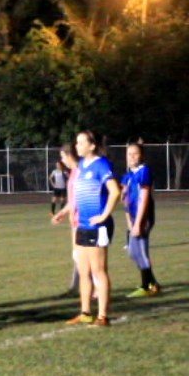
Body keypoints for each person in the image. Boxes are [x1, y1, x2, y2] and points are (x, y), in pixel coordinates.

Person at [66, 130, 120, 327]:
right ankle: (85, 312)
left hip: (98, 226)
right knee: (83, 270)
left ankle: (103, 316)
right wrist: (74, 211)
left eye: (81, 143)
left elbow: (115, 191)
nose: (77, 146)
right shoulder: (81, 165)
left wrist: (104, 216)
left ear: (92, 145)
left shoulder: (101, 165)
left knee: (98, 270)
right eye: (77, 142)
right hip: (83, 225)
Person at [123, 142, 162, 297]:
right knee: (133, 252)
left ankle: (146, 286)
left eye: (135, 153)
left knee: (140, 251)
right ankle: (153, 283)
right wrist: (129, 222)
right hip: (133, 219)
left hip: (143, 218)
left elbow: (144, 198)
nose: (132, 157)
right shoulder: (128, 175)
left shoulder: (144, 171)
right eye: (129, 154)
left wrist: (138, 223)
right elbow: (125, 200)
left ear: (142, 155)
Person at [51, 144, 82, 297]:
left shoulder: (81, 172)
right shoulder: (74, 172)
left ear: (70, 155)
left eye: (63, 156)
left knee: (83, 257)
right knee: (77, 255)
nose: (62, 160)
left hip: (82, 220)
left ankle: (95, 290)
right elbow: (73, 199)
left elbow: (80, 198)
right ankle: (75, 287)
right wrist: (63, 212)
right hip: (75, 220)